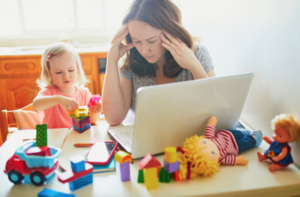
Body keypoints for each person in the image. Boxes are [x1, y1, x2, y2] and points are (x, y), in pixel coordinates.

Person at [102, 0, 216, 125]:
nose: (144, 50)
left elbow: (215, 112)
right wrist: (111, 61)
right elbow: (113, 118)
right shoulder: (131, 62)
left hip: (192, 141)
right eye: (137, 41)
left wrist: (193, 65)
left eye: (151, 41)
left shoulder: (199, 54)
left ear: (171, 31)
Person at [33, 42, 101, 129]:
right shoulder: (49, 92)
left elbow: (92, 121)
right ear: (49, 74)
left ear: (77, 69)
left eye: (71, 70)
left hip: (78, 138)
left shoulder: (84, 93)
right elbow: (36, 105)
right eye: (59, 72)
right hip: (55, 140)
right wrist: (58, 99)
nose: (66, 76)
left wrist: (96, 111)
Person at [177, 116, 263, 180]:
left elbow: (210, 128)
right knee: (247, 142)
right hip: (236, 146)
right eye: (212, 153)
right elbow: (229, 159)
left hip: (228, 134)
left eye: (203, 142)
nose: (209, 146)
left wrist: (212, 123)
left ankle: (245, 132)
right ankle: (255, 140)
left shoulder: (208, 138)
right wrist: (238, 160)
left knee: (240, 133)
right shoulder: (219, 159)